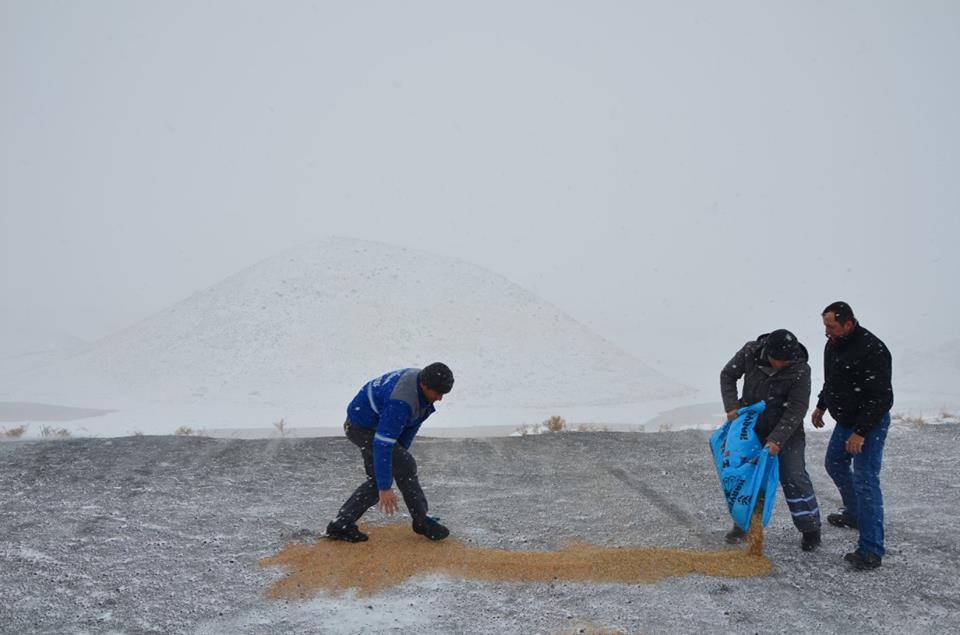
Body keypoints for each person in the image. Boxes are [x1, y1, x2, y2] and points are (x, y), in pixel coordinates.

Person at [325, 363, 455, 543]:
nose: (440, 398)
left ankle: (340, 524)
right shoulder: (401, 402)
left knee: (399, 466)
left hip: (374, 424)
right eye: (438, 393)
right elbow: (383, 444)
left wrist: (398, 456)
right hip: (361, 427)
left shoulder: (421, 387)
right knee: (396, 471)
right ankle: (421, 521)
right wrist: (385, 487)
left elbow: (410, 425)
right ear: (424, 385)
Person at [720, 329, 822, 551]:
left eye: (786, 361)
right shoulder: (750, 351)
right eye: (778, 361)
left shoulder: (800, 369)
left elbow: (797, 408)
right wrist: (732, 406)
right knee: (746, 476)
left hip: (787, 431)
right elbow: (728, 375)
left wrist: (777, 439)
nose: (781, 365)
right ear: (767, 353)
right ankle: (743, 525)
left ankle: (810, 528)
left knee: (793, 475)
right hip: (751, 428)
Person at [812, 301, 893, 570]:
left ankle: (871, 550)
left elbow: (881, 397)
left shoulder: (873, 349)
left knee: (866, 480)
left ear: (848, 324)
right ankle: (855, 513)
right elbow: (832, 380)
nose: (827, 331)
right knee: (834, 462)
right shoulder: (833, 345)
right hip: (845, 420)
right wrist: (822, 405)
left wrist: (861, 432)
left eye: (831, 326)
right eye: (825, 325)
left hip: (869, 423)